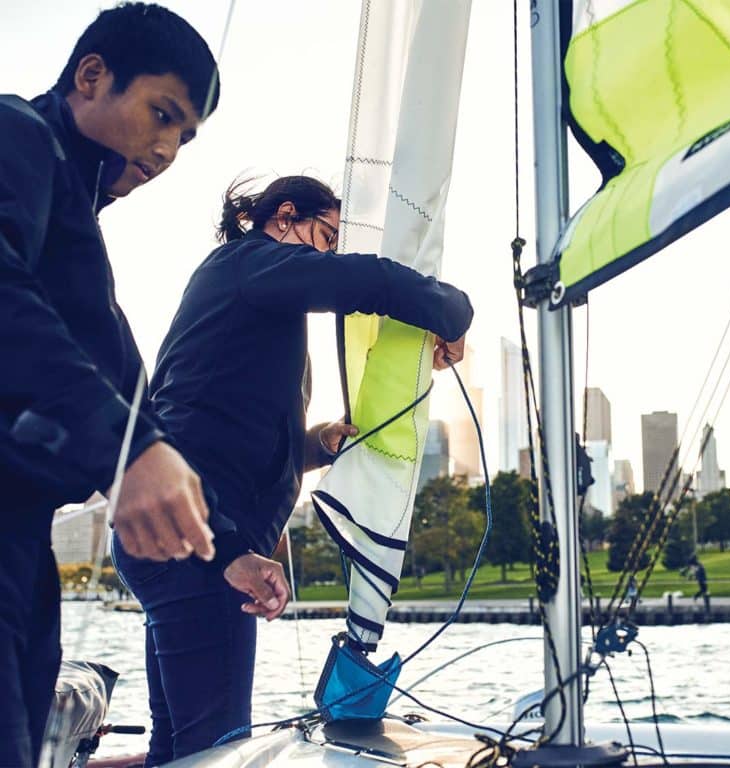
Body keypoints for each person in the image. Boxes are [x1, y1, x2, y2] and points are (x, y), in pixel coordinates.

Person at [113, 174, 473, 763]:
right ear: (284, 216)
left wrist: (317, 445)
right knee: (215, 751)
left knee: (179, 747)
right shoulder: (248, 263)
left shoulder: (242, 292)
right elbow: (365, 279)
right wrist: (454, 311)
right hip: (196, 542)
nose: (326, 254)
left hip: (172, 538)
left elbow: (219, 426)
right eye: (325, 236)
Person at [0, 6, 222, 765]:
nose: (165, 150)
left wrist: (226, 552)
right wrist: (127, 447)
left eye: (185, 137)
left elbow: (140, 411)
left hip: (20, 551)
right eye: (162, 115)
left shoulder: (74, 241)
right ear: (90, 76)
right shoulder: (14, 134)